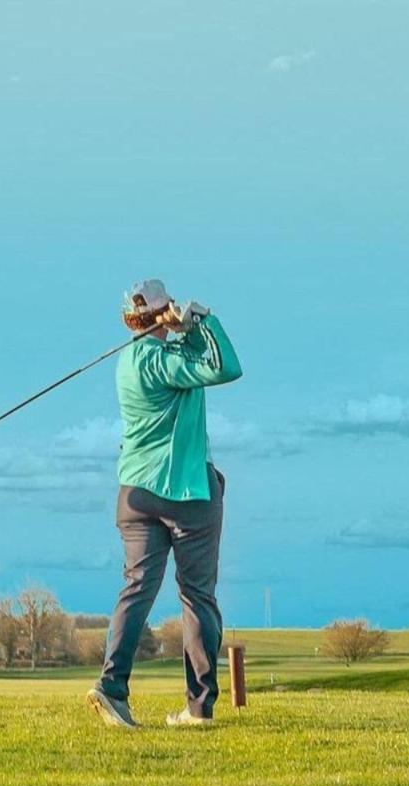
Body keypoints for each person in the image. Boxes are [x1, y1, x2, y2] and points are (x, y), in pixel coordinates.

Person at [86, 279, 242, 728]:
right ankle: (199, 708)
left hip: (134, 493)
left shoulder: (128, 361)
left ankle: (112, 687)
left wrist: (181, 328)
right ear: (160, 315)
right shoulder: (165, 360)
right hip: (186, 491)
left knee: (137, 588)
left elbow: (194, 361)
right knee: (197, 596)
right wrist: (203, 322)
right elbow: (225, 366)